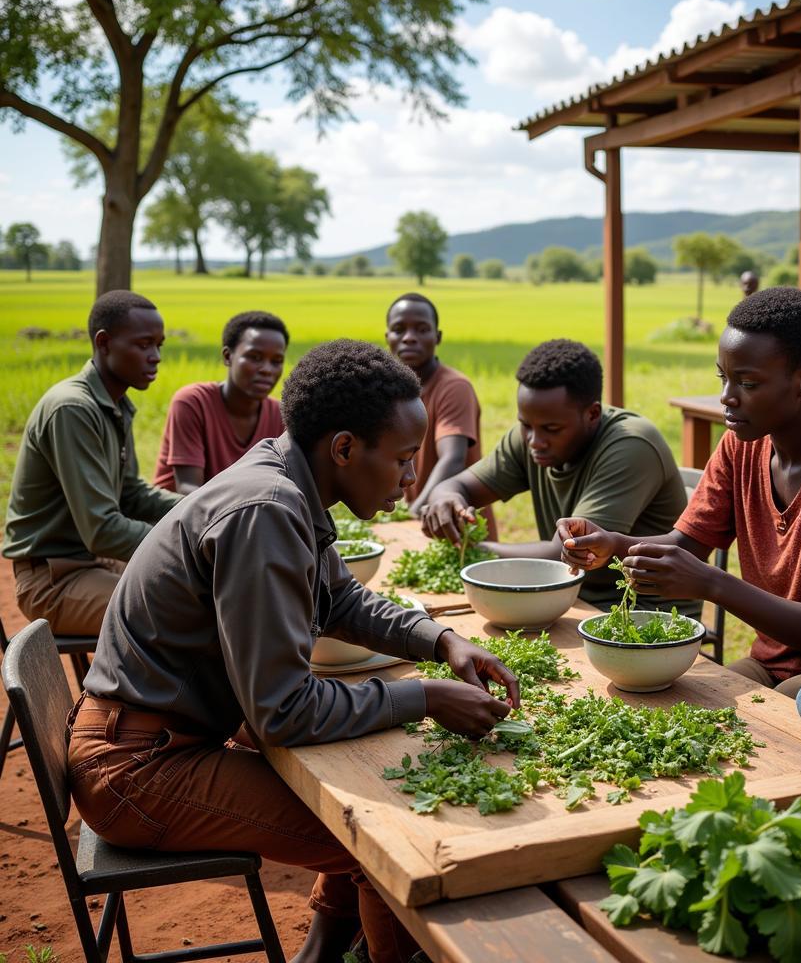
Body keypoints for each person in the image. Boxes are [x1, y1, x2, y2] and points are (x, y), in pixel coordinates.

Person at [68, 339, 519, 963]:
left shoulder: (285, 477)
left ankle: (321, 954)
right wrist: (422, 697)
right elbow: (282, 712)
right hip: (137, 772)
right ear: (343, 448)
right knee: (381, 841)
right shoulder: (268, 508)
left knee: (365, 801)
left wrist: (442, 641)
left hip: (163, 743)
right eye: (404, 460)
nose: (412, 479)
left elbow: (343, 602)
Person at [559, 288, 801, 698]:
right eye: (724, 377)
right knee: (681, 707)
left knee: (758, 727)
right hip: (769, 662)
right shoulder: (742, 444)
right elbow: (686, 545)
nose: (727, 397)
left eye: (748, 382)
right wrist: (613, 545)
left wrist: (714, 585)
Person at [422, 339, 689, 612]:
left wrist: (469, 548)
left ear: (592, 414)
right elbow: (457, 486)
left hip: (638, 614)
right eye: (525, 425)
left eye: (551, 428)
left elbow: (564, 554)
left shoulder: (631, 446)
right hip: (565, 595)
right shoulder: (533, 435)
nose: (535, 440)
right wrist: (446, 499)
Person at [3, 291, 181, 636]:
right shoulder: (73, 409)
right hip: (52, 580)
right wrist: (182, 538)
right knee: (178, 611)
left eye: (159, 345)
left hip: (90, 563)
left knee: (201, 590)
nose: (155, 357)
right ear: (104, 343)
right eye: (144, 345)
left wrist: (202, 508)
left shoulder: (115, 404)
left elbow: (131, 494)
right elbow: (102, 530)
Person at [154, 310, 288, 493]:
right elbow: (187, 488)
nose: (266, 369)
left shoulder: (280, 415)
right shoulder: (193, 402)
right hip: (180, 515)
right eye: (255, 357)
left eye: (276, 361)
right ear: (227, 356)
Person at [384, 293, 488, 519]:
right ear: (387, 337)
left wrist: (412, 514)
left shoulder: (454, 388)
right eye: (399, 329)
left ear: (438, 336)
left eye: (422, 329)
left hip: (456, 524)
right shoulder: (388, 392)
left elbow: (452, 458)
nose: (409, 338)